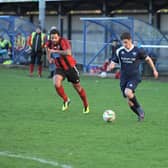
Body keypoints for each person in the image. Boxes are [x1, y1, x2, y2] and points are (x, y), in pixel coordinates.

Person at [108, 32, 158, 121]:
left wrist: (154, 70)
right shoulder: (120, 51)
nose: (125, 44)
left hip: (134, 77)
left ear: (130, 40)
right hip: (123, 78)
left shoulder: (138, 51)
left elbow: (148, 59)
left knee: (128, 92)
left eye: (126, 42)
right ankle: (140, 115)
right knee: (129, 102)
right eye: (123, 42)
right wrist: (111, 65)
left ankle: (139, 109)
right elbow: (113, 61)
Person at [46, 29, 89, 113]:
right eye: (52, 38)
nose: (53, 40)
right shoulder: (49, 43)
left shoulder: (63, 41)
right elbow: (47, 49)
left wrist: (55, 51)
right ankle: (66, 100)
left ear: (59, 37)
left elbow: (68, 52)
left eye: (55, 38)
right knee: (56, 82)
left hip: (70, 67)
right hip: (60, 68)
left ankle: (86, 105)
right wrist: (49, 58)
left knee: (77, 87)